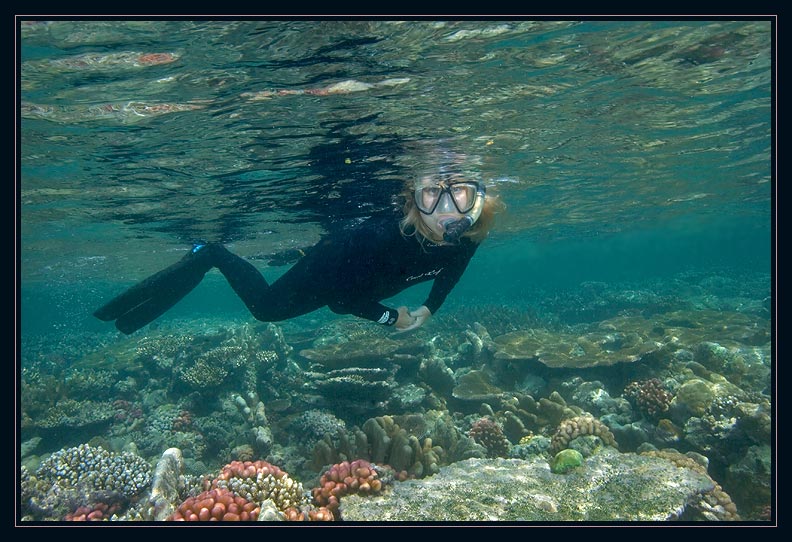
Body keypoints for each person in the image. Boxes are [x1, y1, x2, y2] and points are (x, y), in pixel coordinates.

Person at [93, 172, 500, 334]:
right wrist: (390, 317)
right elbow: (342, 302)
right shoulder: (383, 238)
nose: (447, 210)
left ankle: (292, 250)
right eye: (432, 194)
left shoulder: (466, 238)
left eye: (460, 194)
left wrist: (431, 308)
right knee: (266, 310)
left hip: (354, 277)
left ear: (477, 200)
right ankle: (211, 254)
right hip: (332, 268)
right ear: (413, 200)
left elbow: (452, 270)